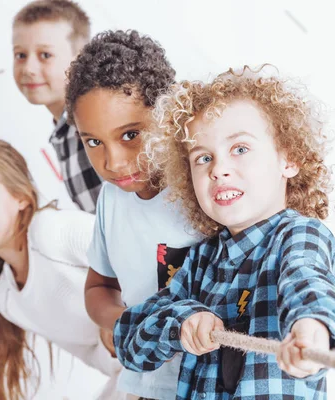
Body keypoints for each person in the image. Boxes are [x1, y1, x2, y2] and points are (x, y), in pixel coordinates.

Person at [114, 68, 335, 399]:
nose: (218, 169)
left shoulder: (298, 236)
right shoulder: (200, 260)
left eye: (240, 149)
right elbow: (130, 343)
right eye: (203, 158)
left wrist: (313, 328)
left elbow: (307, 281)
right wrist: (182, 320)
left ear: (289, 159)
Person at [65, 30, 201, 399]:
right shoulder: (112, 199)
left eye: (130, 135)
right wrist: (121, 321)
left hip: (211, 385)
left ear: (168, 113)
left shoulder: (205, 189)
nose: (112, 162)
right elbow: (99, 287)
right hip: (145, 387)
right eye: (93, 141)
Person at [0, 137, 123, 400]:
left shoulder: (54, 233)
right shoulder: (7, 298)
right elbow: (95, 357)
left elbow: (155, 266)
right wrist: (110, 346)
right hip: (134, 373)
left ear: (20, 197)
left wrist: (116, 319)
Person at [12, 0, 103, 213]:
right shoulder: (64, 130)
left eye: (45, 55)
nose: (29, 68)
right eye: (20, 55)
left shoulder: (96, 122)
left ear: (80, 58)